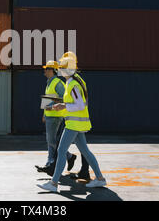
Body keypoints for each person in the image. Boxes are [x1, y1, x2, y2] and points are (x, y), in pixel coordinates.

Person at [37, 52, 107, 192]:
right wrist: (60, 106)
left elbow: (80, 105)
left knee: (61, 150)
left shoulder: (72, 84)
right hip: (76, 123)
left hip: (74, 124)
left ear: (67, 69)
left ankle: (54, 183)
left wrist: (63, 106)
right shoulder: (75, 80)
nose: (60, 69)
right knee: (85, 151)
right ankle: (100, 179)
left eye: (62, 67)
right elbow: (78, 104)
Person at [35, 60, 77, 173]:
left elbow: (64, 99)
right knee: (52, 141)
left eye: (46, 69)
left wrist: (51, 106)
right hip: (49, 115)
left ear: (51, 70)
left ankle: (50, 163)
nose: (44, 71)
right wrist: (44, 113)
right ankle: (69, 157)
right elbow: (47, 99)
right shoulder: (49, 82)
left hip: (55, 116)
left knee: (51, 141)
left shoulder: (58, 83)